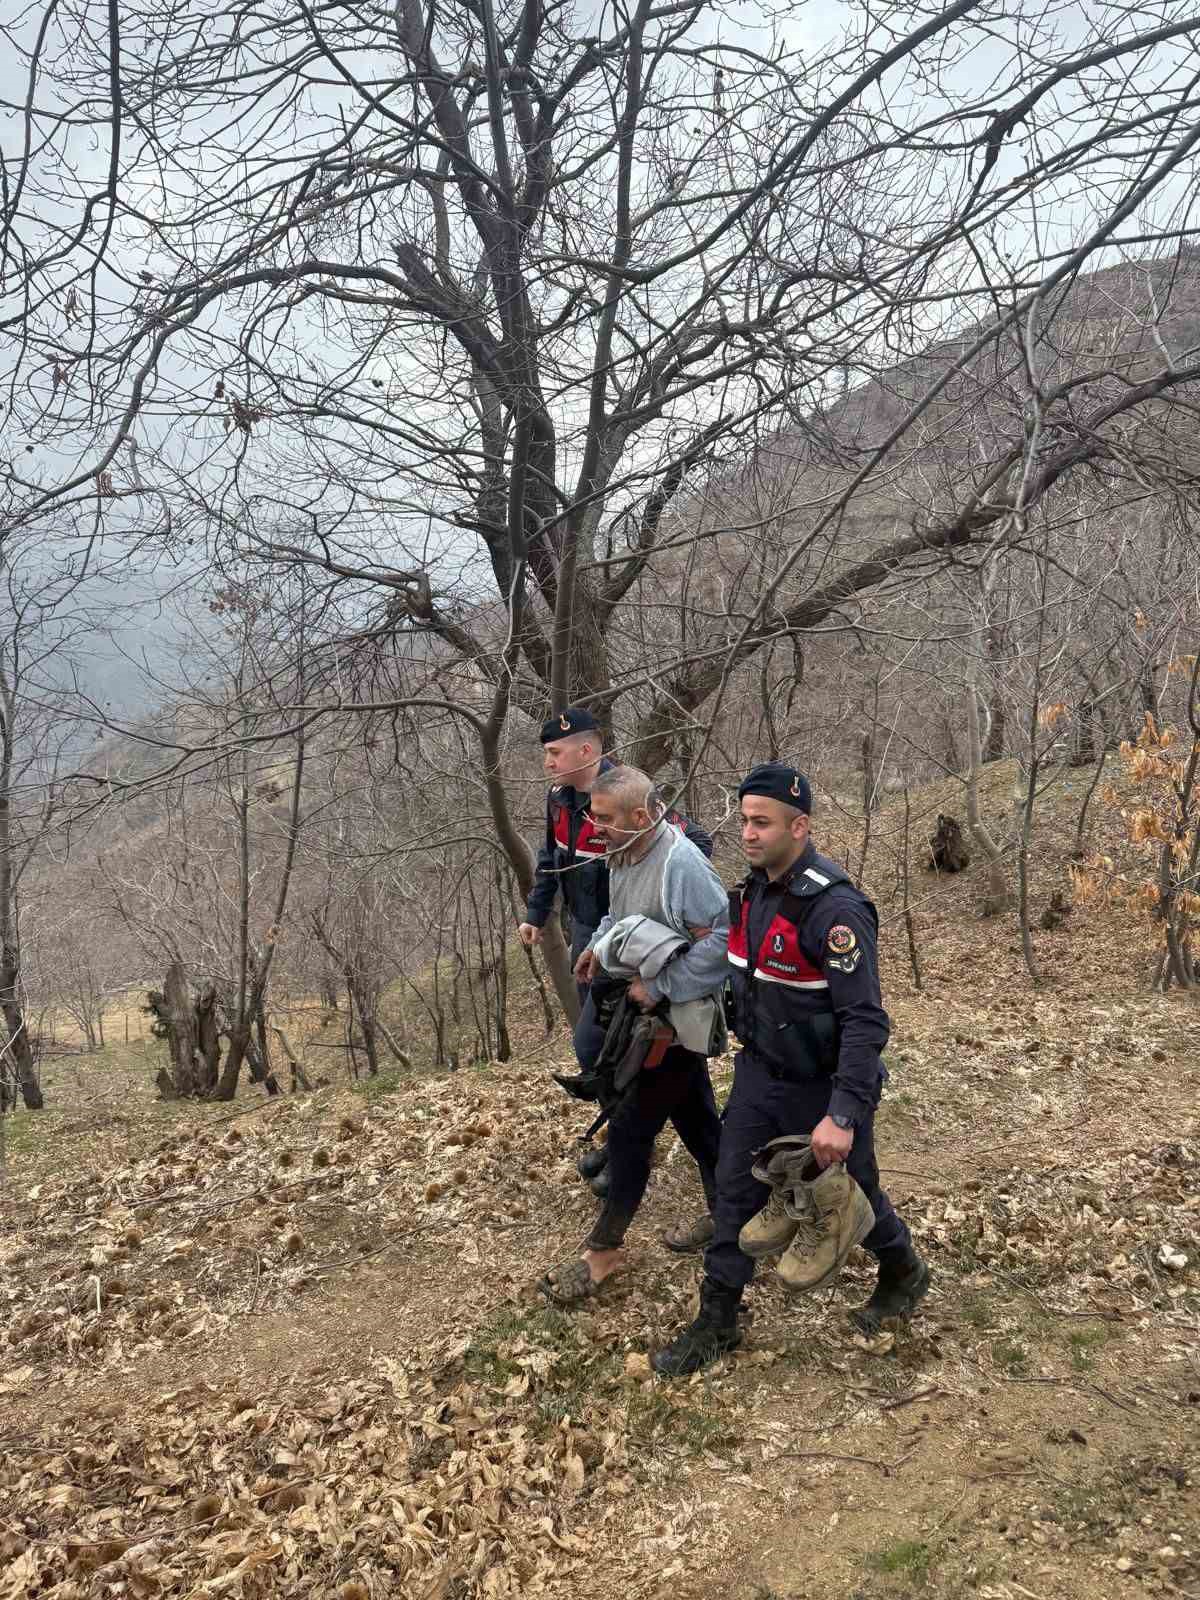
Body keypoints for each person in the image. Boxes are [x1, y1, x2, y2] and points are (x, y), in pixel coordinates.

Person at [652, 761, 930, 1376]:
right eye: (743, 820)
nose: (747, 833)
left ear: (799, 827)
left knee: (854, 1192)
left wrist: (844, 1112)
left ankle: (904, 1268)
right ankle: (718, 1319)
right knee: (735, 1192)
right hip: (760, 1076)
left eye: (761, 822)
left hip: (824, 1085)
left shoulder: (835, 912)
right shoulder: (748, 896)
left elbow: (865, 1022)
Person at [538, 766, 728, 1303]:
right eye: (592, 816)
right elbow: (621, 917)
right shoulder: (623, 852)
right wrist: (596, 947)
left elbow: (722, 940)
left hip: (670, 1024)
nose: (593, 827)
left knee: (629, 1130)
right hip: (639, 1016)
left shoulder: (682, 863)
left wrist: (661, 984)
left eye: (603, 818)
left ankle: (603, 1251)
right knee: (697, 1121)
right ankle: (729, 1212)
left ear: (641, 817)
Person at [519, 708, 712, 1195]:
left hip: (641, 946)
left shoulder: (627, 794)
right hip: (596, 932)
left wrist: (661, 919)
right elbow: (551, 861)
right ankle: (624, 1137)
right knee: (602, 1048)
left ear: (587, 750)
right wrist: (538, 915)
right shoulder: (560, 801)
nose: (546, 761)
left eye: (553, 752)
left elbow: (690, 842)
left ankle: (632, 1147)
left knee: (647, 1056)